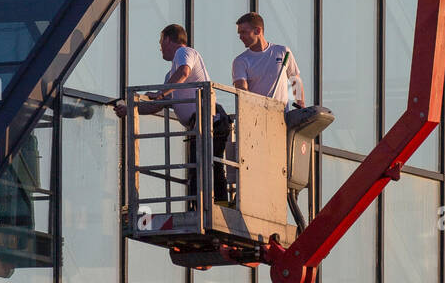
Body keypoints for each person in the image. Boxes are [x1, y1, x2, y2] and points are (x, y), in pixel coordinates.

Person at [115, 24, 229, 202]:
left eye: (161, 42)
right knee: (198, 168)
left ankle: (218, 205)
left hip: (208, 121)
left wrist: (161, 92)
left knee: (208, 166)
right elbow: (157, 106)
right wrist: (130, 110)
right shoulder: (170, 78)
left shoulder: (183, 53)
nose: (160, 47)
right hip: (198, 125)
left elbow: (184, 72)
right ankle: (200, 205)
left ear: (168, 39)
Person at [232, 12, 305, 107]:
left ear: (258, 31)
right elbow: (242, 91)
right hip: (256, 116)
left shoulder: (283, 52)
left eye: (244, 32)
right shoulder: (240, 61)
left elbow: (294, 79)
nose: (240, 37)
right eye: (239, 33)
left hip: (282, 116)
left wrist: (301, 105)